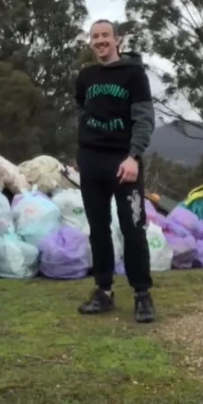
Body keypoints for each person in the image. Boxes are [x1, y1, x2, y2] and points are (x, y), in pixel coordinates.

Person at [75, 19, 156, 323]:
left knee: (132, 227)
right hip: (91, 161)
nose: (100, 41)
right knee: (98, 229)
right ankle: (103, 291)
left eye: (105, 35)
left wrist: (133, 156)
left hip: (124, 162)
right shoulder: (85, 77)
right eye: (95, 36)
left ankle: (141, 294)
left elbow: (144, 119)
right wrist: (83, 150)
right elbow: (82, 112)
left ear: (116, 39)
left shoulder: (133, 73)